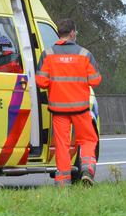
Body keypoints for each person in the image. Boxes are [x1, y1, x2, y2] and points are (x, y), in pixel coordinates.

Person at [40, 21, 101, 185]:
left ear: (59, 33)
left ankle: (62, 181)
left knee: (62, 145)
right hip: (80, 108)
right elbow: (95, 81)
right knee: (88, 140)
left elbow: (41, 81)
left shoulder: (48, 54)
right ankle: (87, 170)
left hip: (58, 109)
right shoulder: (84, 54)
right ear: (73, 33)